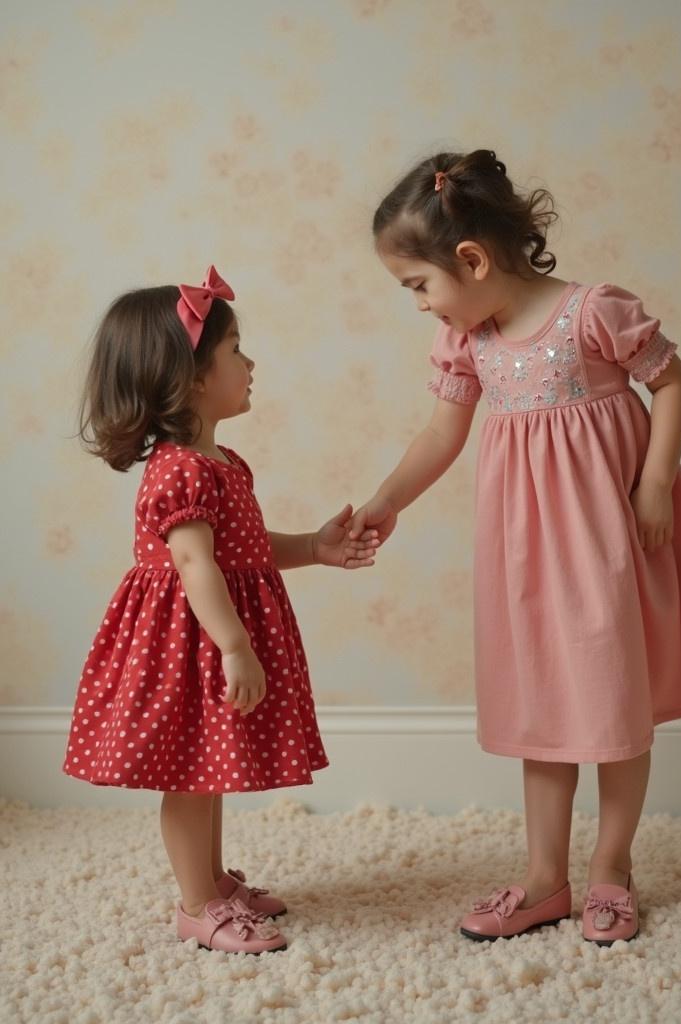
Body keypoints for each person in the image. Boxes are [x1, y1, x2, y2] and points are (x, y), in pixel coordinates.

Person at [349, 150, 681, 946]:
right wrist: (385, 501)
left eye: (418, 286)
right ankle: (544, 879)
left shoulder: (593, 312)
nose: (419, 306)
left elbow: (671, 383)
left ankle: (612, 867)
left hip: (609, 536)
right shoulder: (472, 342)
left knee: (612, 703)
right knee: (542, 705)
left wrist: (655, 482)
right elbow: (442, 431)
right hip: (527, 553)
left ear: (470, 259)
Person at [63, 266, 378, 954]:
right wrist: (235, 644)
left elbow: (240, 548)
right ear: (191, 377)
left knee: (210, 767)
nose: (251, 362)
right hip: (189, 638)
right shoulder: (178, 467)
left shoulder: (222, 460)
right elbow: (193, 564)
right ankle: (196, 906)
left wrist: (315, 549)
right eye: (236, 351)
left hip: (211, 628)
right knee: (187, 774)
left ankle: (211, 880)